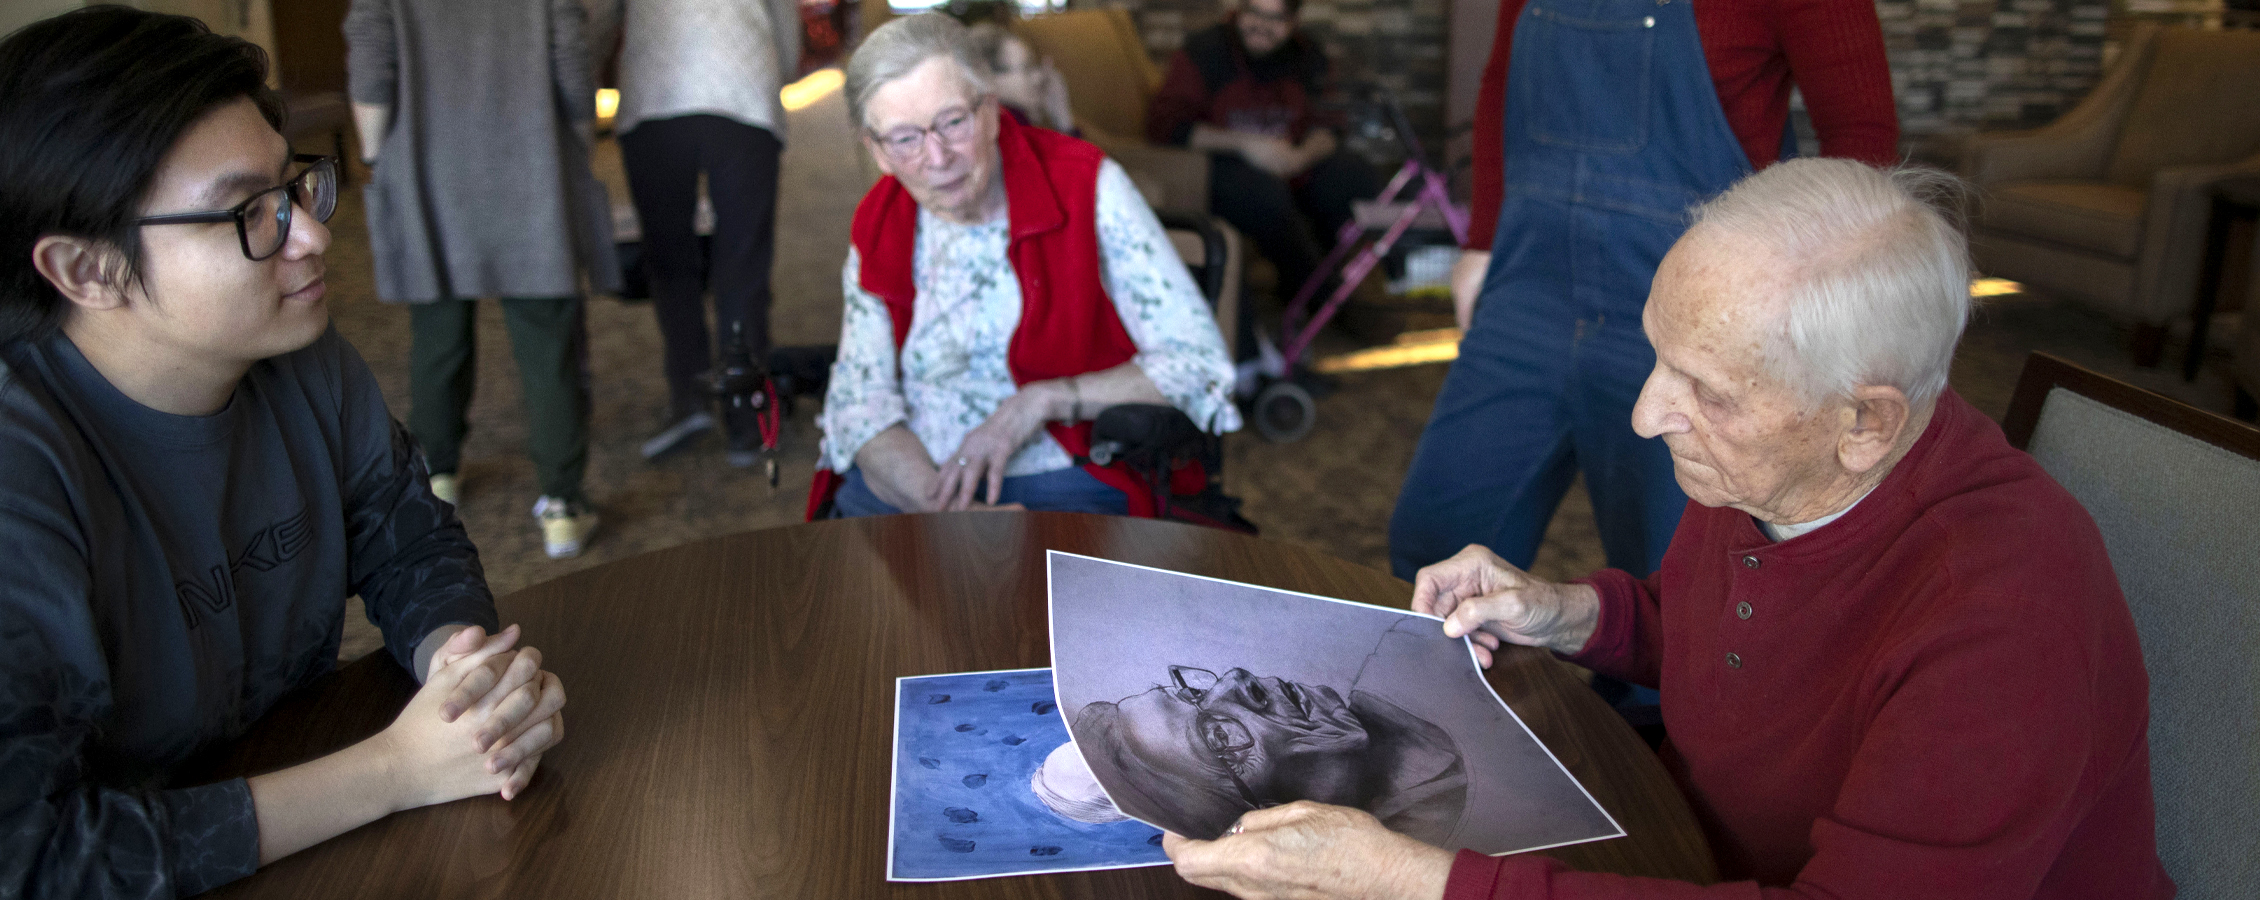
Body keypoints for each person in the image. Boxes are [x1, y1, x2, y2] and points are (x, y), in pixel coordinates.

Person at [1162, 159, 2172, 900]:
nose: (1647, 416)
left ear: (1865, 422)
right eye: (1658, 358)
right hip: (1683, 848)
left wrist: (1417, 882)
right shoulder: (1776, 459)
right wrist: (1564, 612)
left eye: (1707, 392)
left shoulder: (2005, 613)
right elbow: (1725, 635)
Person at [0, 8, 567, 895]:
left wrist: (462, 681)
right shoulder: (21, 471)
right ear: (86, 270)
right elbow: (38, 854)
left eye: (294, 187)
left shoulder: (297, 355)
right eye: (249, 213)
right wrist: (397, 771)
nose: (312, 236)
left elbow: (404, 534)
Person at [1386, 0, 1902, 586]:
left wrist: (1814, 296)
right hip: (1531, 290)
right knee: (1436, 538)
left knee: (1674, 574)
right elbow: (1501, 82)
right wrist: (1480, 245)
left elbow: (1861, 137)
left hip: (1700, 322)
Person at [813, 14, 1240, 518]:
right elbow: (860, 402)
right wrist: (954, 517)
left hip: (1064, 478)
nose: (937, 157)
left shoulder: (1086, 185)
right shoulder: (879, 220)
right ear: (877, 151)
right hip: (910, 486)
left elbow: (1199, 364)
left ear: (992, 111)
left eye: (953, 122)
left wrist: (1038, 403)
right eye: (905, 138)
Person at [345, 0, 617, 558]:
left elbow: (372, 64)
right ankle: (563, 506)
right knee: (549, 344)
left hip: (429, 167)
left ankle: (437, 472)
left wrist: (375, 150)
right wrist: (581, 137)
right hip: (533, 161)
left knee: (437, 335)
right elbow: (571, 58)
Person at [586, 0, 800, 466]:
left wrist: (583, 86)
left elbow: (600, 17)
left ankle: (690, 399)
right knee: (743, 264)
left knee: (669, 261)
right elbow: (784, 18)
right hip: (743, 90)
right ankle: (746, 419)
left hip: (655, 95)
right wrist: (776, 73)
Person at [1075, 649, 1467, 846]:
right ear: (1263, 814)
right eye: (1219, 736)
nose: (1235, 678)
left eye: (1194, 690)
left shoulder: (1417, 656)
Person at [1145, 0, 1381, 305]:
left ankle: (1358, 283)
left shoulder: (1309, 55)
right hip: (1227, 163)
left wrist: (1300, 157)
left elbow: (1331, 124)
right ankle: (1325, 302)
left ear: (1293, 20)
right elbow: (1168, 127)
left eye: (1275, 19)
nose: (1261, 25)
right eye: (1253, 13)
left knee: (1352, 175)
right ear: (1238, 11)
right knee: (1264, 197)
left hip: (1294, 162)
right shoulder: (1204, 52)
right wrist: (1246, 145)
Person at [966, 22, 1077, 136]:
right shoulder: (1008, 132)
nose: (1037, 78)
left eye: (1033, 65)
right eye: (1025, 69)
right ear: (989, 78)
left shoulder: (1026, 123)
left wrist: (1062, 116)